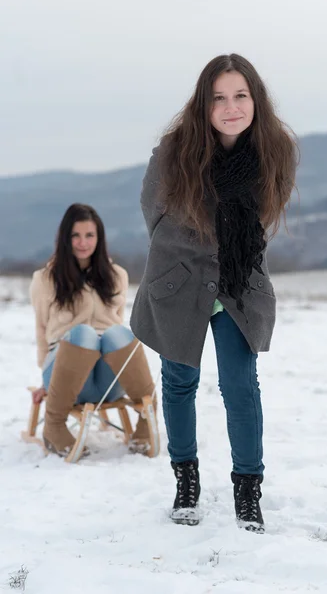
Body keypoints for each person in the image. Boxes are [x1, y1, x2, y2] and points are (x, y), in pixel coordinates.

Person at [130, 53, 297, 532]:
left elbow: (266, 211)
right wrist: (184, 253)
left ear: (255, 100)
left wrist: (230, 252)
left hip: (239, 282)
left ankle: (248, 492)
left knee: (240, 386)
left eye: (240, 95)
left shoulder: (274, 150)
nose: (230, 107)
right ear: (204, 105)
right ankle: (186, 482)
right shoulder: (174, 151)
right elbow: (152, 210)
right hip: (179, 280)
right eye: (219, 97)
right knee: (179, 381)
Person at [30, 203, 157, 458]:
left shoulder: (116, 275)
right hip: (64, 373)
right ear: (65, 238)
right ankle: (54, 426)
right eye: (75, 235)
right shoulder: (45, 279)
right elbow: (42, 330)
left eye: (90, 235)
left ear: (99, 238)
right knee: (83, 333)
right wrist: (46, 378)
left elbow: (116, 327)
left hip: (107, 379)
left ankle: (148, 415)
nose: (83, 242)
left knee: (118, 332)